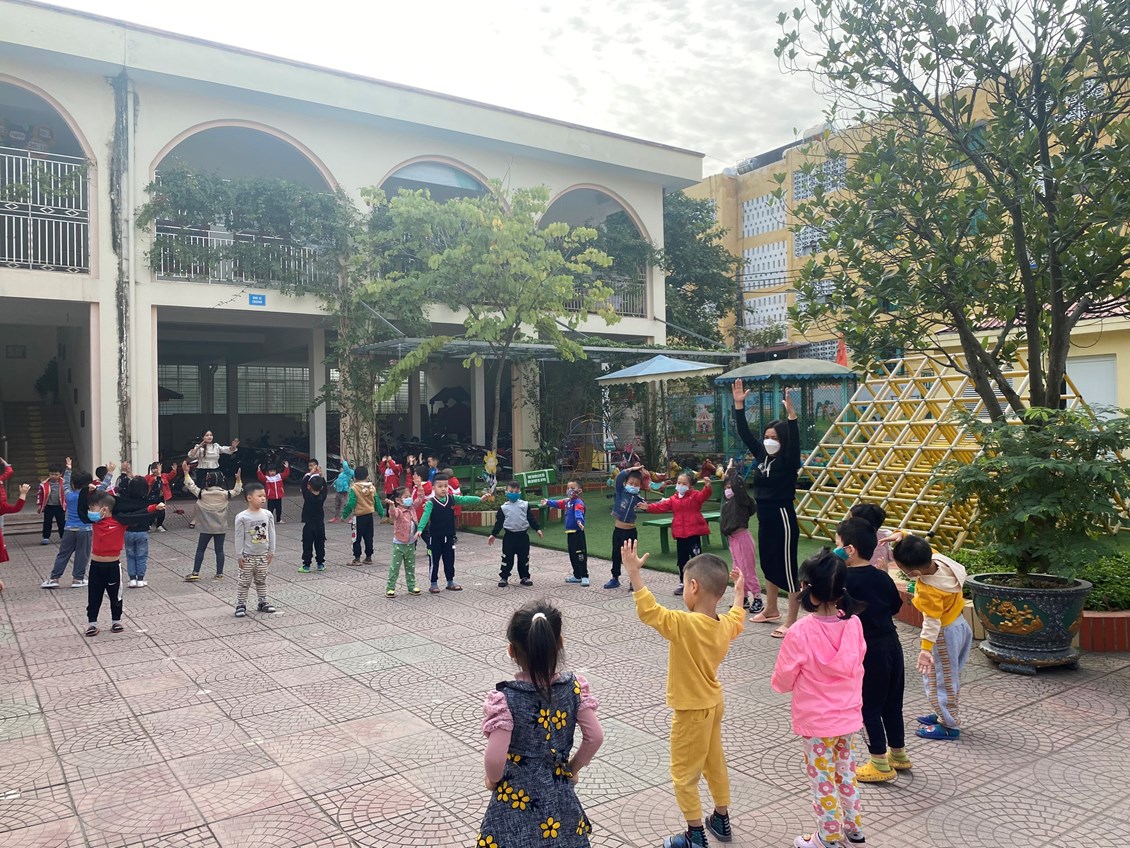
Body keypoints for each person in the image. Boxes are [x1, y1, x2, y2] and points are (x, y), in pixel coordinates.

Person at [623, 540, 745, 848]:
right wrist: (740, 591)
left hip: (692, 712)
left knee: (684, 774)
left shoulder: (684, 623)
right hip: (714, 704)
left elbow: (650, 611)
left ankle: (694, 836)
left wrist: (634, 573)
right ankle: (721, 818)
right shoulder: (723, 625)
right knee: (714, 763)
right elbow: (737, 616)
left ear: (693, 586)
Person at [478, 601, 603, 848]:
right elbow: (595, 737)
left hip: (515, 796)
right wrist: (572, 768)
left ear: (512, 651)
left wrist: (493, 780)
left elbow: (494, 757)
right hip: (559, 791)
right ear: (560, 643)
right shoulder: (574, 688)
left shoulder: (506, 699)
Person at [771, 549, 867, 848]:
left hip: (816, 722)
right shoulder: (854, 624)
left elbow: (783, 679)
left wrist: (784, 684)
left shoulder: (800, 632)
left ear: (805, 588)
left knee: (822, 780)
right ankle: (854, 828)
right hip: (847, 716)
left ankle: (827, 837)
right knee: (845, 773)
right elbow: (859, 661)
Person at [836, 518, 911, 782]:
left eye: (838, 544)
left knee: (867, 705)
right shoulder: (881, 576)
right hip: (891, 644)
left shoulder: (843, 580)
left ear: (850, 549)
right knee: (892, 702)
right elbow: (895, 606)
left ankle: (878, 762)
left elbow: (840, 613)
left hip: (866, 650)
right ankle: (898, 754)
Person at [731, 379, 802, 638]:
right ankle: (771, 609)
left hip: (782, 516)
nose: (769, 441)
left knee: (787, 566)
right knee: (769, 563)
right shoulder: (761, 455)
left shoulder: (788, 460)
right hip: (765, 517)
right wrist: (739, 406)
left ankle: (792, 620)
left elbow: (794, 443)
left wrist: (792, 417)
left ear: (783, 441)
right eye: (767, 437)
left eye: (775, 438)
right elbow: (744, 433)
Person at [892, 534, 972, 741]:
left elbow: (931, 622)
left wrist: (925, 649)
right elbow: (919, 546)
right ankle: (942, 713)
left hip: (943, 634)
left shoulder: (929, 589)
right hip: (961, 625)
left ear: (915, 573)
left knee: (940, 680)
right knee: (949, 675)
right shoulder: (939, 561)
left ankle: (948, 725)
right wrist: (903, 535)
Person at [81, 490, 163, 636]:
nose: (90, 512)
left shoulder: (120, 521)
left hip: (113, 566)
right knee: (94, 596)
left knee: (115, 595)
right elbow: (81, 512)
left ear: (104, 509)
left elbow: (138, 515)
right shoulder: (95, 522)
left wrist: (153, 508)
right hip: (96, 566)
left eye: (93, 508)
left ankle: (116, 621)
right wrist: (85, 490)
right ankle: (92, 624)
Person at [640, 472, 713, 596]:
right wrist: (648, 507)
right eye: (679, 483)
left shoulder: (695, 495)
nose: (680, 485)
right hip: (680, 534)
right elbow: (661, 507)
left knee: (696, 559)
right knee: (682, 559)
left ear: (690, 485)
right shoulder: (673, 499)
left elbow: (704, 495)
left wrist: (708, 487)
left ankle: (700, 583)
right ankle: (683, 583)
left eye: (684, 483)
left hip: (693, 533)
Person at [415, 473, 486, 593]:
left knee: (449, 560)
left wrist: (479, 499)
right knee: (434, 561)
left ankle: (450, 581)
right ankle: (433, 583)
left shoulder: (452, 499)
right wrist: (420, 529)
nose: (443, 489)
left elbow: (465, 499)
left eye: (445, 486)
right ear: (433, 488)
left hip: (449, 537)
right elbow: (425, 516)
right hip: (435, 538)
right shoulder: (431, 503)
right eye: (440, 486)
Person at [182, 462, 243, 581]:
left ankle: (195, 572)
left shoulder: (202, 494)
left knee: (200, 549)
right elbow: (237, 490)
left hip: (205, 528)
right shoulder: (225, 494)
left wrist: (186, 473)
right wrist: (238, 479)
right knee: (219, 550)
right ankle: (219, 574)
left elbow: (191, 485)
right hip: (220, 528)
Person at [720, 459, 764, 614]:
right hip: (733, 540)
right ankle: (743, 597)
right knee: (737, 570)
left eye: (730, 487)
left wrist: (731, 472)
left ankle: (757, 598)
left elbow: (738, 488)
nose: (727, 490)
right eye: (726, 488)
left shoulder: (740, 500)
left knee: (747, 569)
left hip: (742, 538)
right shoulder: (728, 503)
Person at [42, 459, 94, 589]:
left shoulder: (69, 494)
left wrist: (68, 468)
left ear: (73, 483)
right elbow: (103, 488)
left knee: (63, 554)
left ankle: (54, 578)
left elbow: (65, 483)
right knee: (82, 555)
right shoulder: (89, 496)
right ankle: (78, 579)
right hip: (85, 529)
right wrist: (109, 473)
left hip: (69, 528)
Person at [233, 481, 276, 618]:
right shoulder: (242, 517)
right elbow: (239, 536)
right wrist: (239, 554)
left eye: (264, 496)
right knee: (244, 581)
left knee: (261, 579)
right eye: (260, 496)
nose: (263, 498)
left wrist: (271, 551)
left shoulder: (267, 514)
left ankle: (263, 602)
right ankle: (241, 604)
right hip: (247, 556)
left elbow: (271, 533)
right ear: (249, 498)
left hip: (263, 555)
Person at [489, 481, 543, 588]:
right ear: (506, 492)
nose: (513, 493)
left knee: (524, 558)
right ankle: (504, 577)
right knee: (507, 558)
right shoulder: (504, 508)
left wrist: (537, 529)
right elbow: (499, 523)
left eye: (516, 491)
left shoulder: (524, 505)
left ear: (519, 492)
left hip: (523, 536)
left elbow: (531, 518)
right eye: (511, 491)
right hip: (509, 537)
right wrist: (493, 534)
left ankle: (524, 577)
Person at [187, 431, 239, 529]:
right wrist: (199, 446)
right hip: (202, 472)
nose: (209, 437)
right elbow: (191, 455)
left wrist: (233, 446)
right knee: (201, 496)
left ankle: (215, 518)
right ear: (203, 437)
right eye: (207, 435)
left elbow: (228, 450)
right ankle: (194, 519)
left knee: (217, 494)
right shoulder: (199, 446)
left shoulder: (216, 446)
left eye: (211, 435)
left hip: (215, 472)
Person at [606, 465, 646, 590]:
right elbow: (619, 478)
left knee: (631, 557)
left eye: (636, 485)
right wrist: (631, 469)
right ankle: (615, 578)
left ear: (640, 486)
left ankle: (633, 581)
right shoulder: (620, 492)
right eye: (631, 483)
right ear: (625, 483)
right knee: (616, 555)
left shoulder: (639, 499)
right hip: (618, 531)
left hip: (631, 532)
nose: (633, 486)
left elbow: (649, 507)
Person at [543, 480, 588, 586]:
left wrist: (579, 521)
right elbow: (558, 503)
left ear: (579, 490)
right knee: (572, 554)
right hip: (570, 533)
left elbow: (578, 512)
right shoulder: (568, 502)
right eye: (568, 488)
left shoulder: (578, 502)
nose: (569, 490)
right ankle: (577, 575)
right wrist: (548, 502)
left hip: (577, 533)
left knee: (580, 554)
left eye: (572, 488)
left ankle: (584, 575)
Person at [116, 476, 159, 588]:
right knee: (141, 556)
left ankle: (132, 579)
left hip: (128, 531)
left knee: (130, 555)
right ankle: (140, 579)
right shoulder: (147, 501)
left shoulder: (125, 500)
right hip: (142, 531)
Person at [384, 486, 422, 597]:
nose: (409, 498)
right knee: (395, 567)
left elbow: (420, 499)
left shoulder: (412, 508)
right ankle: (390, 588)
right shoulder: (399, 510)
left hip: (411, 543)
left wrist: (420, 487)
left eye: (410, 496)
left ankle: (411, 586)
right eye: (406, 497)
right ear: (398, 500)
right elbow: (393, 514)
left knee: (410, 566)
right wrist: (391, 505)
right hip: (399, 544)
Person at [341, 466, 383, 566]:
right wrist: (381, 513)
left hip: (358, 517)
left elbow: (351, 503)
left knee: (356, 537)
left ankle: (357, 558)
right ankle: (368, 557)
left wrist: (344, 515)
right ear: (367, 476)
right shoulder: (372, 488)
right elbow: (377, 501)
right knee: (369, 537)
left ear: (355, 477)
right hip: (369, 516)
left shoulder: (354, 488)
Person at [298, 474, 328, 574]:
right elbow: (325, 488)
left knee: (307, 545)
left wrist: (309, 474)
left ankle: (306, 565)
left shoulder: (307, 496)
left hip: (309, 526)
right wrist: (322, 477)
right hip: (320, 525)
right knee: (320, 545)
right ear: (321, 487)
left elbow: (303, 485)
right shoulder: (322, 497)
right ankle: (320, 564)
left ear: (309, 486)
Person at [0, 480, 31, 565]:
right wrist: (23, 494)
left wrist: (23, 494)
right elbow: (16, 508)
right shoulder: (2, 506)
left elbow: (16, 508)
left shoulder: (2, 506)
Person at [37, 462, 66, 545]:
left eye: (56, 474)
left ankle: (63, 537)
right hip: (49, 506)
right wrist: (40, 505)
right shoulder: (44, 484)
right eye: (52, 474)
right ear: (49, 473)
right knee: (47, 522)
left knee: (61, 522)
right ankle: (46, 537)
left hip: (59, 506)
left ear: (60, 474)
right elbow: (40, 495)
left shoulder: (64, 483)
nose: (53, 476)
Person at [145, 461, 177, 533]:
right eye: (154, 468)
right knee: (151, 511)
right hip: (151, 497)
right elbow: (151, 482)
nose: (156, 470)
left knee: (162, 511)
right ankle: (148, 525)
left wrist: (174, 470)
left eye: (158, 468)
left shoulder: (164, 476)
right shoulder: (149, 477)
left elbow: (170, 476)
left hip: (161, 497)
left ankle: (159, 525)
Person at [378, 455, 402, 523]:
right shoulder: (387, 470)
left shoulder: (396, 469)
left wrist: (390, 460)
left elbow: (394, 468)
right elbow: (381, 468)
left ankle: (394, 517)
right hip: (388, 490)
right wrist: (383, 461)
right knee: (388, 504)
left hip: (394, 490)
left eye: (388, 463)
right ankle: (388, 516)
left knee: (394, 503)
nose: (387, 464)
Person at [330, 457, 355, 522]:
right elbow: (337, 481)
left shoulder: (348, 472)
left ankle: (351, 517)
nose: (340, 469)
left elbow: (346, 467)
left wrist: (343, 461)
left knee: (347, 504)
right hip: (339, 490)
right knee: (337, 504)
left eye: (342, 467)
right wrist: (335, 485)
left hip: (345, 491)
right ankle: (336, 517)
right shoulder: (341, 474)